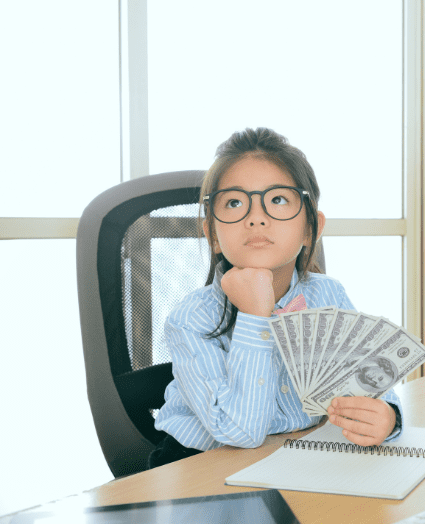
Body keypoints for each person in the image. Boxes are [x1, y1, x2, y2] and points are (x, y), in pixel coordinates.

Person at [149, 128, 402, 468]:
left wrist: (388, 418)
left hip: (298, 456)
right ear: (212, 233)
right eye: (235, 202)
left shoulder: (328, 294)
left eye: (278, 200)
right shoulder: (191, 319)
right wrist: (255, 317)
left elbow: (370, 381)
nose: (256, 217)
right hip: (200, 463)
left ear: (310, 228)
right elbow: (240, 432)